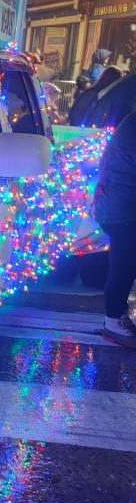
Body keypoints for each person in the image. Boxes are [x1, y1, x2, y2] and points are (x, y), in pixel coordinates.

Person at [94, 111, 136, 347]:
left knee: (126, 264)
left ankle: (117, 317)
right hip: (122, 208)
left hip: (118, 203)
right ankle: (113, 321)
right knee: (124, 264)